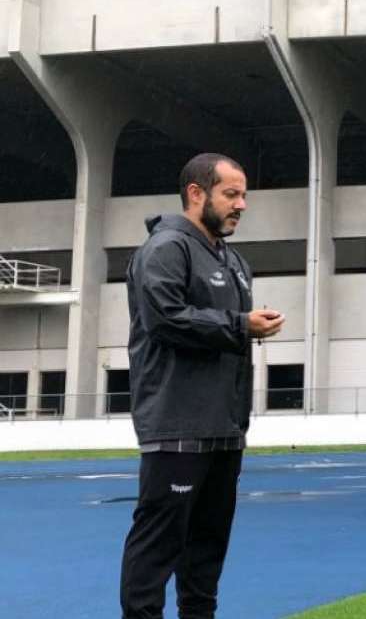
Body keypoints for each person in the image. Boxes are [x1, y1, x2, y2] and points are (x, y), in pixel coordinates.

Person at [120, 153, 285, 619]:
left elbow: (226, 332)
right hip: (176, 425)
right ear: (197, 194)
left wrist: (242, 327)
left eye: (244, 195)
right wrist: (239, 325)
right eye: (231, 194)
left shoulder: (234, 262)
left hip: (225, 430)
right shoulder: (165, 249)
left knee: (207, 555)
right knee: (157, 548)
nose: (242, 205)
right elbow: (165, 319)